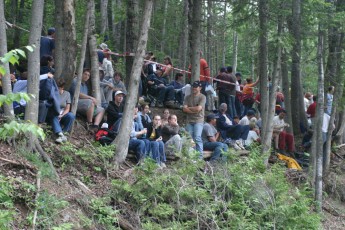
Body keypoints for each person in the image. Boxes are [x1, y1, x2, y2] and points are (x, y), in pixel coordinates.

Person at [46, 78, 75, 143]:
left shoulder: (67, 94)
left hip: (62, 113)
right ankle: (60, 134)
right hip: (54, 112)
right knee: (54, 116)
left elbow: (67, 108)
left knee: (71, 115)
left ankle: (64, 132)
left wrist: (62, 115)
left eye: (59, 88)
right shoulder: (52, 93)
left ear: (62, 88)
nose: (57, 90)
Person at [183, 81, 206, 154]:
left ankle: (200, 156)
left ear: (200, 88)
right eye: (193, 86)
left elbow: (199, 109)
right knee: (189, 139)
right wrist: (194, 110)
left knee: (197, 138)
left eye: (196, 87)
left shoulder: (202, 97)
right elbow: (184, 109)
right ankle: (191, 155)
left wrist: (189, 108)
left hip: (198, 120)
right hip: (189, 120)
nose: (194, 88)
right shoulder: (187, 97)